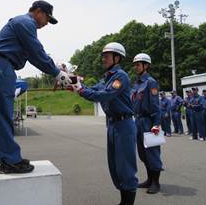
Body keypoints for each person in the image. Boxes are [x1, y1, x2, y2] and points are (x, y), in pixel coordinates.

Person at [0, 0, 72, 174]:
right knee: (3, 115)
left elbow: (35, 55)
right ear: (38, 11)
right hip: (1, 67)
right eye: (47, 18)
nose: (47, 23)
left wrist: (55, 68)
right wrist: (57, 73)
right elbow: (36, 53)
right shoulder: (26, 23)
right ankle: (11, 160)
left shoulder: (21, 24)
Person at [67, 42, 137, 205]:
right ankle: (123, 201)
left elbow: (104, 95)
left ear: (117, 58)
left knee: (125, 166)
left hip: (124, 125)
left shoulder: (120, 77)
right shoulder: (107, 78)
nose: (103, 59)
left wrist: (81, 89)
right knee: (115, 166)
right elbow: (93, 89)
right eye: (103, 56)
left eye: (107, 56)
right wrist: (75, 81)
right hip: (112, 125)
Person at [131, 53, 162, 194]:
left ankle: (156, 182)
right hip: (138, 121)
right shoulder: (137, 83)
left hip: (149, 121)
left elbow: (156, 106)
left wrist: (156, 124)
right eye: (135, 65)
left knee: (152, 153)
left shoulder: (151, 82)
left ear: (146, 65)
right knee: (143, 153)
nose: (136, 67)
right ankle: (149, 179)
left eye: (138, 64)